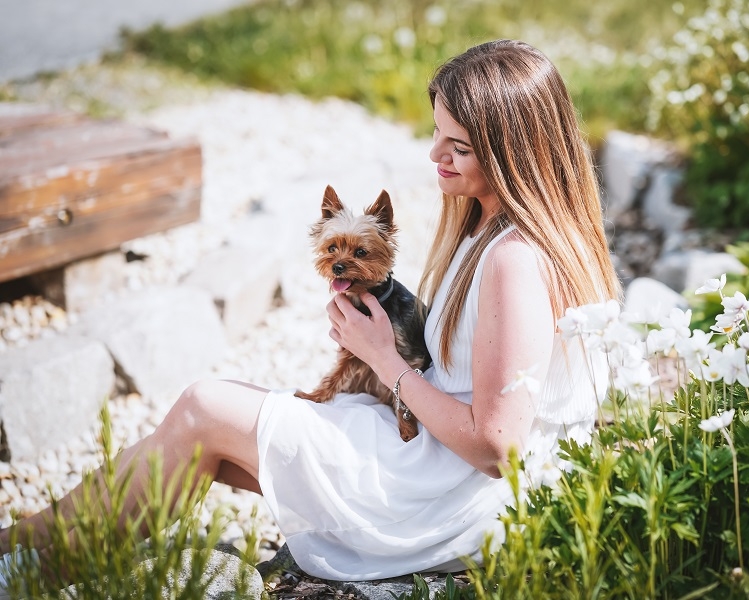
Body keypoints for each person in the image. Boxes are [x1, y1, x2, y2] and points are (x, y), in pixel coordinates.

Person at [0, 38, 621, 589]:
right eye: (436, 132)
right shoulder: (495, 228)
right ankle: (28, 553)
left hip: (454, 494)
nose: (435, 153)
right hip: (437, 461)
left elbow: (497, 447)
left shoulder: (513, 259)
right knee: (201, 434)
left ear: (513, 154)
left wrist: (384, 360)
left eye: (457, 146)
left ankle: (27, 564)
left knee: (205, 408)